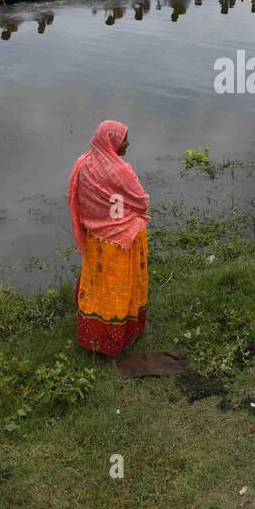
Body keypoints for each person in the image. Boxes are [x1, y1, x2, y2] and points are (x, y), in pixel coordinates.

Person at [67, 120, 151, 356]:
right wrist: (131, 214)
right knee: (119, 288)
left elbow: (80, 200)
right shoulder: (120, 170)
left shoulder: (83, 164)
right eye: (124, 139)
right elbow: (143, 201)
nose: (127, 143)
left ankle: (93, 336)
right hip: (120, 242)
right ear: (112, 142)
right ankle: (118, 337)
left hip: (96, 239)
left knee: (99, 287)